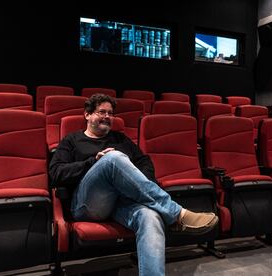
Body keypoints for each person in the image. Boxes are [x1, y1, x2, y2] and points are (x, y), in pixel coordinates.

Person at [49, 94, 218, 276]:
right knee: (113, 158)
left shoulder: (120, 139)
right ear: (87, 115)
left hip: (121, 204)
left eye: (110, 113)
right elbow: (56, 174)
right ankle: (177, 214)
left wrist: (139, 183)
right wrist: (92, 162)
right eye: (101, 112)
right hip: (87, 205)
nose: (107, 116)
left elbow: (145, 162)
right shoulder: (72, 140)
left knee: (151, 216)